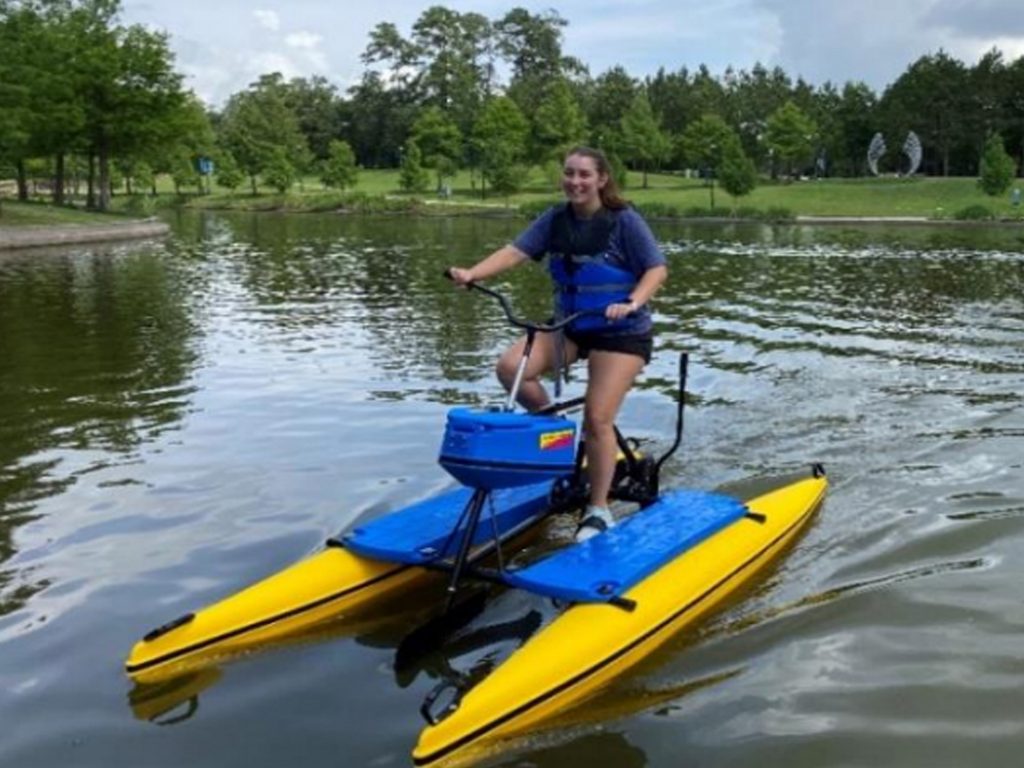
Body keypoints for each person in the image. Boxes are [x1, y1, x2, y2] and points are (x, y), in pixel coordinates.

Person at [449, 146, 668, 542]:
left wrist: (632, 302)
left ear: (602, 179)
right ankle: (558, 431)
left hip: (621, 331)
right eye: (569, 173)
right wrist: (471, 273)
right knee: (510, 368)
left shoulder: (624, 221)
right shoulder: (554, 220)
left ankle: (598, 510)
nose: (575, 181)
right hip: (571, 326)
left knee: (598, 418)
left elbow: (656, 268)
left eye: (584, 174)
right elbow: (514, 252)